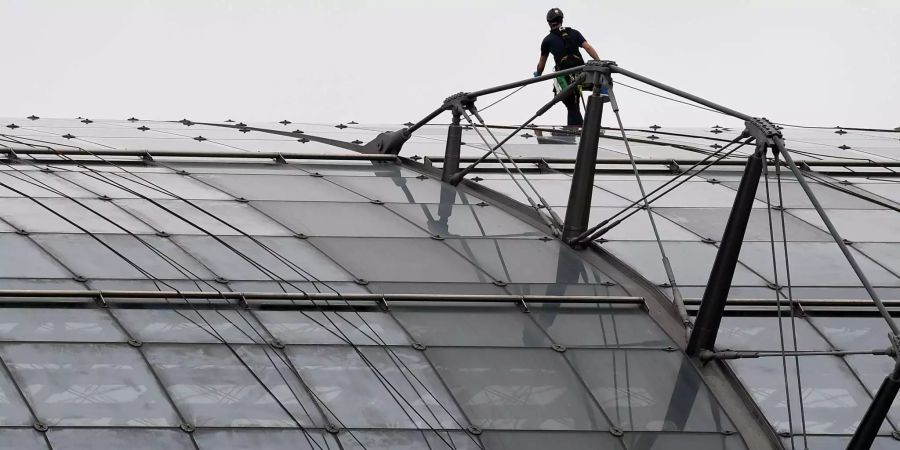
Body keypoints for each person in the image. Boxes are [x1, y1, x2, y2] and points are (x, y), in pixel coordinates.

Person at [533, 8, 600, 128]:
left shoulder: (547, 40)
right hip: (581, 74)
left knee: (571, 104)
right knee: (574, 102)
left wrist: (537, 74)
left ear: (549, 22)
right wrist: (599, 62)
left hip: (565, 77)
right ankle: (578, 131)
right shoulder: (574, 33)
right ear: (561, 20)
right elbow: (588, 48)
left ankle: (578, 131)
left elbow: (541, 64)